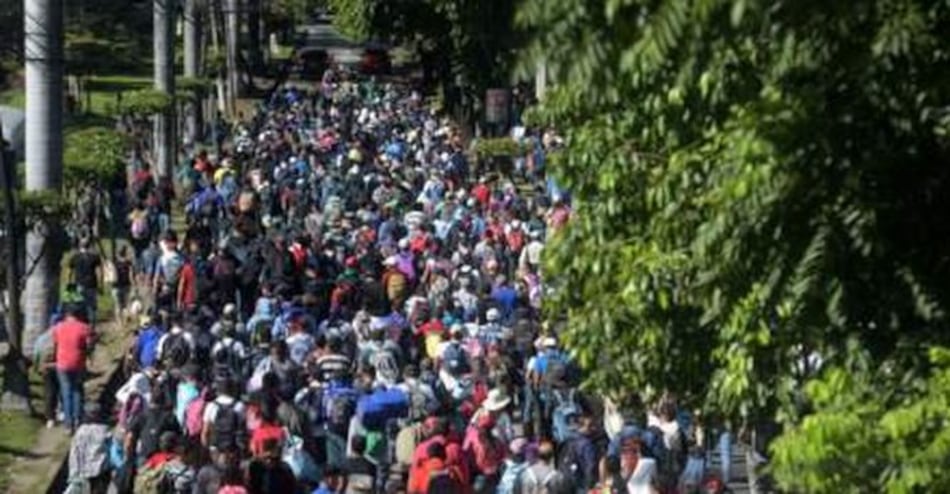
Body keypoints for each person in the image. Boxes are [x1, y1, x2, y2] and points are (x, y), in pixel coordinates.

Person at [52, 304, 95, 433]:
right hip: (78, 363)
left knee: (66, 392)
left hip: (62, 363)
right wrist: (87, 353)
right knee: (78, 390)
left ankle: (68, 424)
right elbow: (90, 345)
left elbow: (55, 345)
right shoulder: (84, 328)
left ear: (66, 315)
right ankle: (78, 420)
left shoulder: (57, 328)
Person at [69, 238, 102, 325]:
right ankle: (91, 327)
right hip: (92, 285)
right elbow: (99, 272)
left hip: (78, 284)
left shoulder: (75, 257)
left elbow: (70, 273)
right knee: (92, 307)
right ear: (89, 245)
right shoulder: (94, 257)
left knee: (78, 307)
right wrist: (100, 285)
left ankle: (81, 326)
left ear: (79, 246)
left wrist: (70, 286)